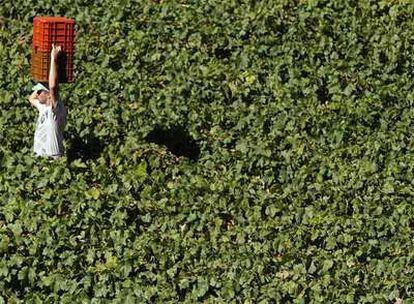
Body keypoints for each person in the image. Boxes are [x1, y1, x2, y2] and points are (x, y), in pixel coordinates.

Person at [28, 44, 67, 159]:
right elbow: (31, 99)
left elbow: (53, 86)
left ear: (49, 94)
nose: (37, 94)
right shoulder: (43, 107)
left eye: (40, 91)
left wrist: (53, 59)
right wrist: (42, 79)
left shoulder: (56, 109)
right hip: (40, 157)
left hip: (52, 159)